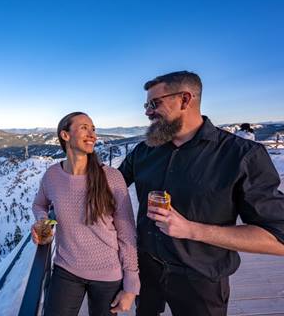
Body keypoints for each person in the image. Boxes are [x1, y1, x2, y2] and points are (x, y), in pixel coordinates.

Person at [119, 71, 284, 316]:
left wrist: (192, 230)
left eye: (154, 103)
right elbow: (107, 187)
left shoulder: (241, 155)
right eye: (146, 104)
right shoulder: (144, 151)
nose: (147, 112)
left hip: (201, 281)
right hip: (146, 272)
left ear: (185, 99)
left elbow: (278, 238)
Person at [32, 112, 140, 316]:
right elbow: (39, 204)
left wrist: (131, 285)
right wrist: (42, 220)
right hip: (66, 270)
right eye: (84, 128)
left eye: (93, 129)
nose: (92, 134)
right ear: (65, 135)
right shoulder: (52, 175)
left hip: (108, 275)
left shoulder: (112, 178)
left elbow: (127, 233)